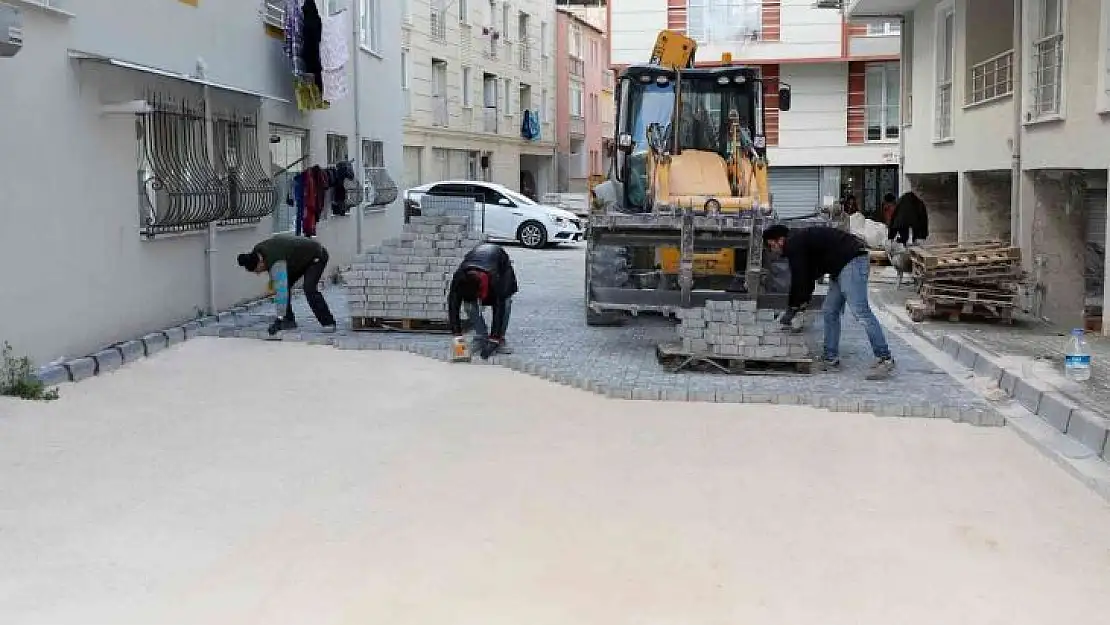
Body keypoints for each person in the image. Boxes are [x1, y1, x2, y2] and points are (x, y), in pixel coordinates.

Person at [763, 224, 895, 380]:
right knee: (830, 310)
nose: (774, 251)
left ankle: (885, 358)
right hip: (839, 266)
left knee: (860, 311)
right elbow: (808, 276)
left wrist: (792, 308)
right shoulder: (799, 240)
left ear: (780, 240)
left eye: (772, 246)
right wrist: (801, 303)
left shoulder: (794, 243)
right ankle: (830, 358)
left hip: (852, 260)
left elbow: (799, 278)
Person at [237, 234, 337, 336]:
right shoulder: (258, 251)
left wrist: (279, 319)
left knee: (309, 288)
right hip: (298, 260)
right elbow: (277, 280)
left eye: (258, 270)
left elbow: (281, 290)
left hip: (317, 256)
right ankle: (288, 321)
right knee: (284, 284)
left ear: (260, 263)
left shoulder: (276, 261)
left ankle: (328, 322)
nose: (259, 273)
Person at [448, 243, 519, 359]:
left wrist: (494, 339)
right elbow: (453, 306)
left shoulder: (496, 280)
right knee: (469, 306)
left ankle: (499, 339)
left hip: (500, 264)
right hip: (479, 263)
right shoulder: (459, 279)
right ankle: (481, 337)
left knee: (505, 303)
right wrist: (457, 335)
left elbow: (498, 308)